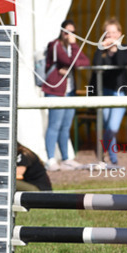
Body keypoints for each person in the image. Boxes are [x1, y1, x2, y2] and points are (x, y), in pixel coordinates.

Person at [42, 18, 90, 171]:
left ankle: (66, 158)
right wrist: (74, 48)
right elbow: (74, 62)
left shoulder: (71, 49)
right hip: (55, 91)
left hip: (69, 92)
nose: (69, 35)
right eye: (66, 31)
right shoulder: (55, 45)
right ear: (61, 32)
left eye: (72, 32)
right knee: (54, 125)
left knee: (65, 126)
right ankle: (50, 159)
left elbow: (85, 62)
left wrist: (70, 61)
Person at [90, 16, 127, 169]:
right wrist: (103, 49)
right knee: (107, 126)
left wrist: (115, 48)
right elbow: (96, 68)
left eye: (113, 33)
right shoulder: (100, 52)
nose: (110, 36)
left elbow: (121, 63)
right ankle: (113, 160)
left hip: (120, 92)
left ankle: (100, 152)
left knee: (113, 127)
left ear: (119, 33)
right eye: (108, 33)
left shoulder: (125, 49)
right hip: (104, 92)